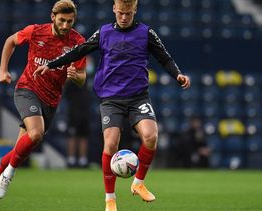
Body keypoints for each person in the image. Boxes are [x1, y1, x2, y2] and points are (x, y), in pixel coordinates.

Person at [34, 0, 191, 210]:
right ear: (114, 10)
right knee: (110, 144)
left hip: (138, 97)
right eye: (121, 13)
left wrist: (178, 74)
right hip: (111, 99)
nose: (124, 17)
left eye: (128, 13)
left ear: (134, 10)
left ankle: (139, 184)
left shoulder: (146, 33)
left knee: (151, 136)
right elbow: (79, 51)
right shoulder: (104, 32)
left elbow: (164, 58)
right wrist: (51, 65)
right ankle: (110, 199)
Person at [0, 1, 86, 210]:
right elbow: (10, 41)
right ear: (53, 17)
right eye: (61, 20)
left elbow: (82, 77)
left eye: (70, 21)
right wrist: (3, 70)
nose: (65, 25)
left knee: (21, 148)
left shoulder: (77, 42)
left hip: (51, 100)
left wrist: (76, 76)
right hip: (27, 89)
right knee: (36, 134)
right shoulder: (36, 31)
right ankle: (7, 176)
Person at [65, 71, 92, 168]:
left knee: (84, 136)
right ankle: (71, 159)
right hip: (74, 111)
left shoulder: (89, 77)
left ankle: (83, 160)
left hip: (85, 112)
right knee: (73, 135)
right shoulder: (73, 78)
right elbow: (66, 94)